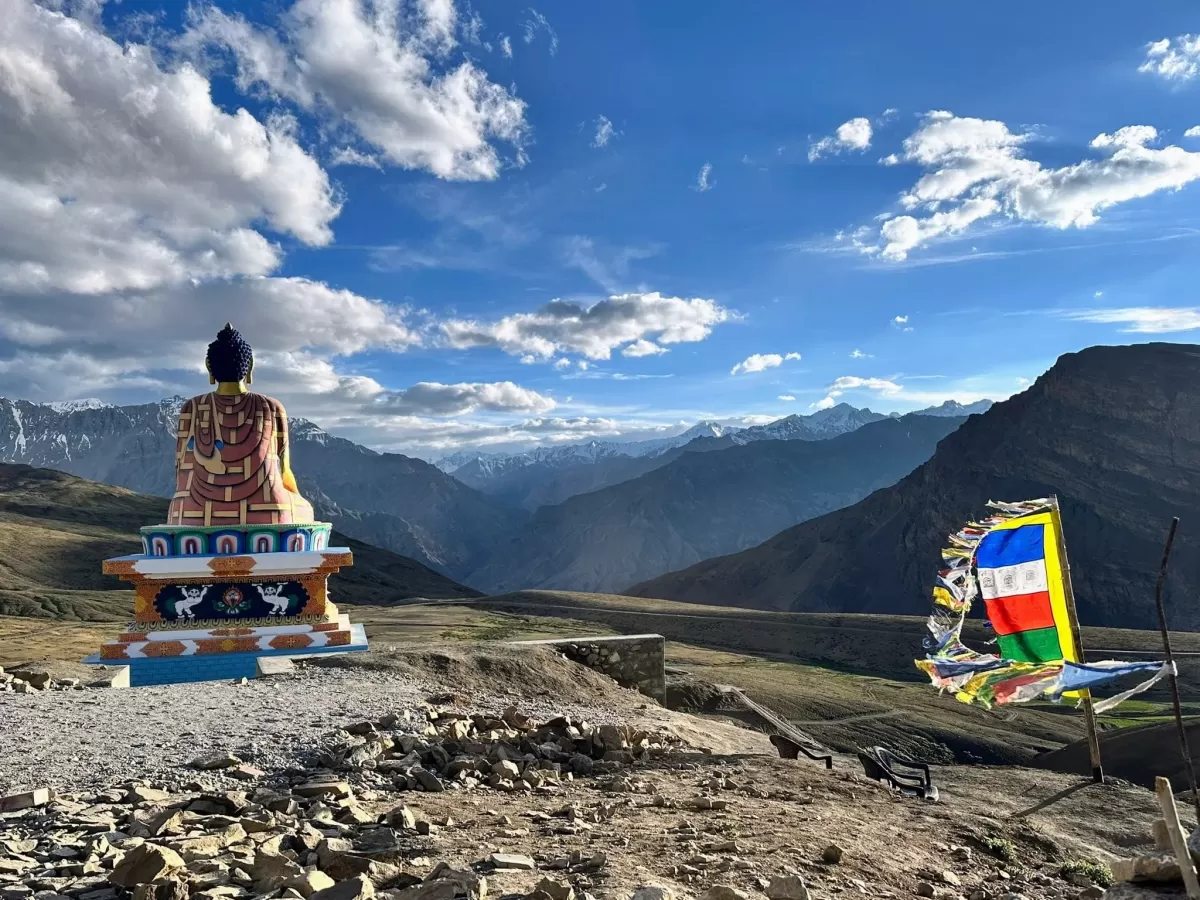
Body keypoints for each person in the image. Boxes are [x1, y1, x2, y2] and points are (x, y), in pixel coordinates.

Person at [166, 324, 315, 527]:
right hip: (266, 509)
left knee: (180, 506)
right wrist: (298, 499)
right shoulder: (270, 407)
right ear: (250, 366)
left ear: (209, 366)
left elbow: (181, 470)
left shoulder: (191, 408)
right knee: (303, 509)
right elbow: (284, 471)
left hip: (194, 512)